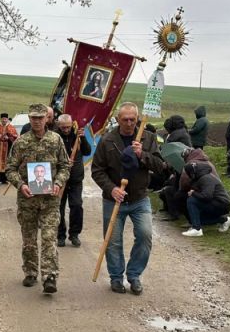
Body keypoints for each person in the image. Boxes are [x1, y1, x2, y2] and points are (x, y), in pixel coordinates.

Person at [91, 102, 168, 295]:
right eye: (125, 119)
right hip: (114, 200)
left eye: (133, 119)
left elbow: (160, 166)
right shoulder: (107, 140)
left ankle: (134, 276)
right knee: (113, 241)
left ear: (137, 119)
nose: (129, 123)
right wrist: (112, 189)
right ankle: (116, 278)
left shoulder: (148, 138)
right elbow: (97, 170)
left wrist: (143, 154)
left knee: (144, 235)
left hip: (139, 198)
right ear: (118, 120)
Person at [5, 103, 71, 293]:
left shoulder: (56, 140)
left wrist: (58, 183)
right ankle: (31, 271)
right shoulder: (21, 142)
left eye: (40, 118)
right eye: (33, 118)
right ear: (29, 119)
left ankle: (50, 276)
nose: (37, 121)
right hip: (28, 200)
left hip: (50, 200)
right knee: (29, 240)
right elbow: (9, 168)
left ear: (46, 119)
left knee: (49, 238)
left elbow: (65, 166)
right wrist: (21, 184)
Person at [56, 114, 91, 247]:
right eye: (63, 127)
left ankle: (74, 234)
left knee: (76, 205)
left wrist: (83, 139)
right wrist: (63, 162)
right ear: (59, 126)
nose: (66, 130)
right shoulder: (54, 137)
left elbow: (87, 152)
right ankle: (60, 235)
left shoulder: (77, 135)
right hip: (59, 179)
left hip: (75, 178)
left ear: (72, 125)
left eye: (68, 127)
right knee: (59, 207)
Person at [159, 147, 216, 221]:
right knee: (171, 191)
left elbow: (184, 184)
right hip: (207, 189)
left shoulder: (191, 164)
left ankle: (185, 218)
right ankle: (174, 212)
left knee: (176, 194)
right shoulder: (204, 160)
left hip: (203, 191)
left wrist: (180, 187)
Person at [180, 162, 230, 236]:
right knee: (198, 219)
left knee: (191, 200)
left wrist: (193, 193)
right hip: (216, 203)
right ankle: (225, 220)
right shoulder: (199, 178)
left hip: (221, 203)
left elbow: (207, 196)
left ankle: (197, 229)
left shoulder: (206, 178)